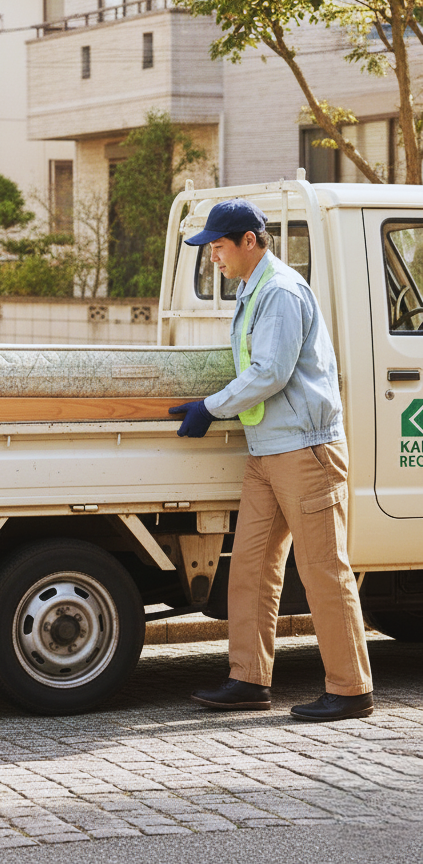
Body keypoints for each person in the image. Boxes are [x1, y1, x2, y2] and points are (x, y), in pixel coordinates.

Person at [169, 198, 374, 721]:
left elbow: (270, 372)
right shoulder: (253, 288)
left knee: (323, 570)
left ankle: (351, 689)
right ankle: (248, 679)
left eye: (218, 246)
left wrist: (210, 407)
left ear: (249, 241)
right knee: (252, 568)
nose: (213, 256)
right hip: (267, 449)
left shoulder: (280, 291)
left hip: (305, 450)